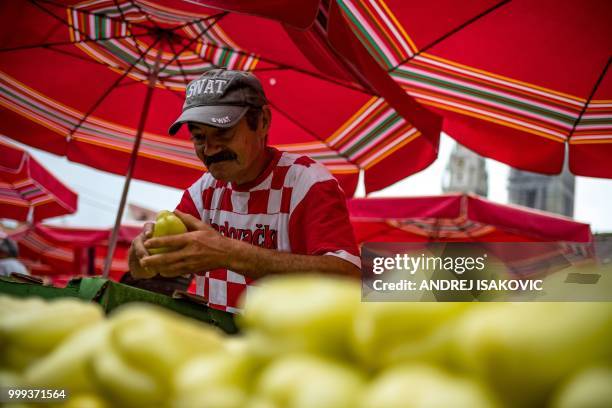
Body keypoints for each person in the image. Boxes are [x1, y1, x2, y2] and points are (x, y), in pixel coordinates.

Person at [129, 69, 360, 313]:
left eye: (223, 132)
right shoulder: (201, 192)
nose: (210, 149)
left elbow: (350, 278)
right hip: (218, 345)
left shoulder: (307, 182)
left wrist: (230, 253)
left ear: (263, 122)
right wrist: (141, 252)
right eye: (198, 137)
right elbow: (147, 270)